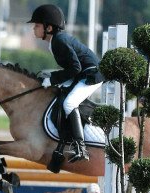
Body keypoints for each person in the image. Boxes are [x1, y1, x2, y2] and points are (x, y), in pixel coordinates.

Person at [27, 4, 104, 163]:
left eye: (37, 25)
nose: (34, 28)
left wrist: (52, 79)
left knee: (69, 103)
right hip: (82, 72)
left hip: (91, 75)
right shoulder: (55, 41)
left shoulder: (59, 41)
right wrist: (51, 77)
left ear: (48, 28)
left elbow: (75, 68)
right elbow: (72, 68)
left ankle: (80, 147)